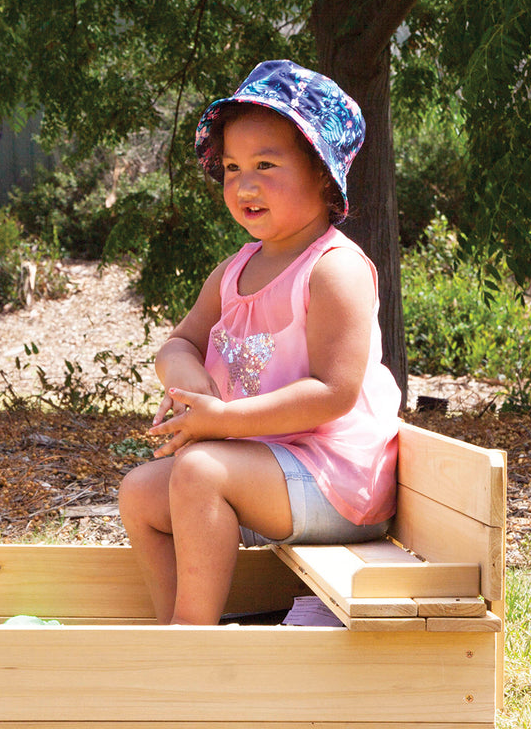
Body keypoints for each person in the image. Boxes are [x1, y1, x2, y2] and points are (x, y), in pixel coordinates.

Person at [118, 60, 402, 625]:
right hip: (268, 464)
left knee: (201, 471)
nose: (244, 184)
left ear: (323, 175)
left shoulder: (333, 270)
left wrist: (221, 419)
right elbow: (179, 343)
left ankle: (191, 637)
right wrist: (189, 382)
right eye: (231, 168)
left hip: (338, 479)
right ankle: (170, 626)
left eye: (266, 165)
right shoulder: (235, 270)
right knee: (141, 493)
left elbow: (333, 392)